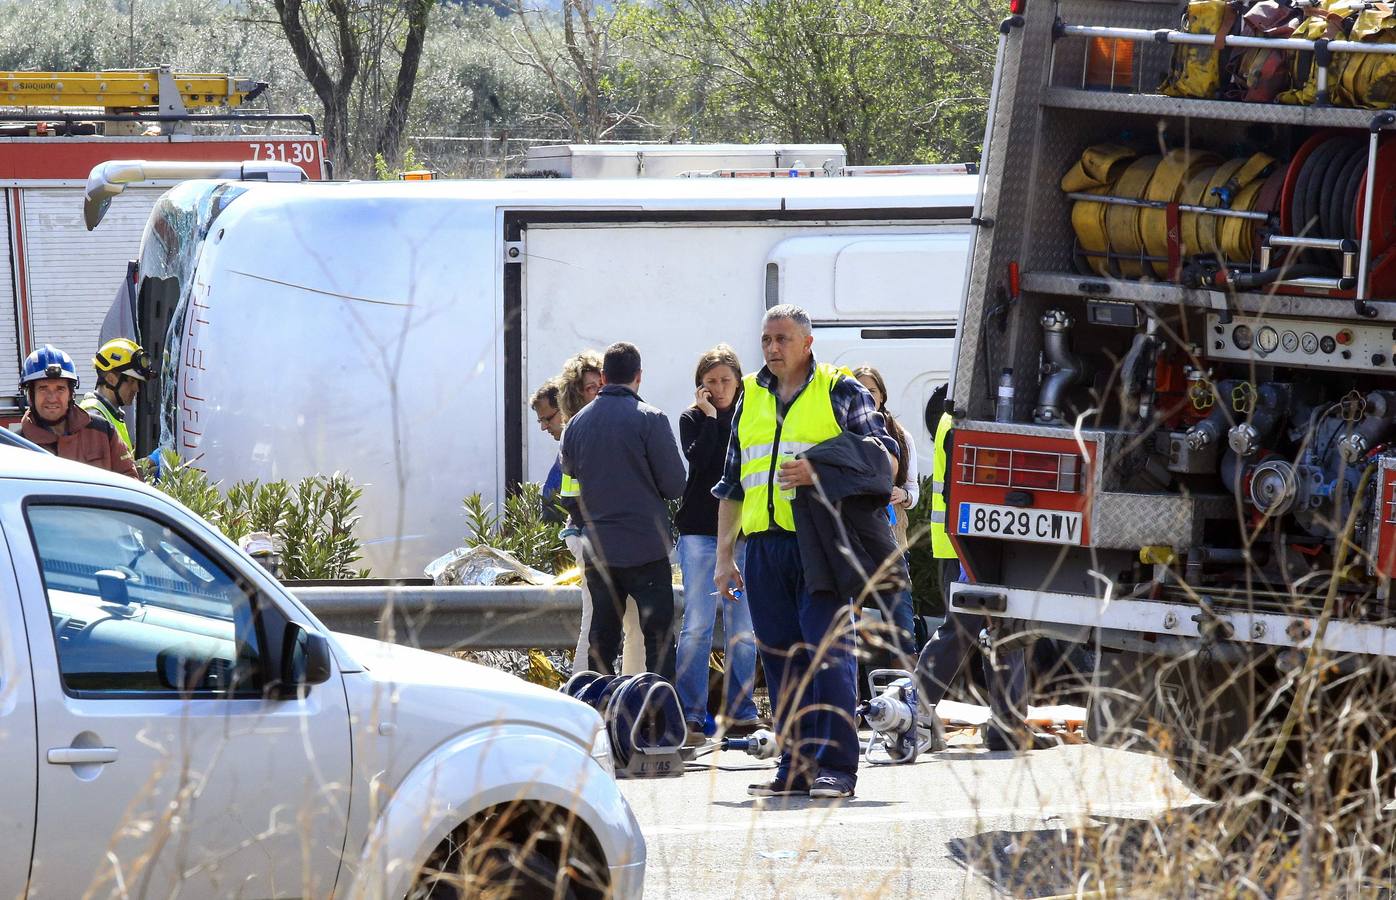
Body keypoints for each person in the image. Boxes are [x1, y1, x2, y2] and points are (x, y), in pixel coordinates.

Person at [713, 305, 899, 800]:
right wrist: (724, 557)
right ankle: (795, 766)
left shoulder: (841, 389)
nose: (772, 348)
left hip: (821, 548)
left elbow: (885, 457)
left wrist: (819, 469)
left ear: (807, 343)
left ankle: (838, 768)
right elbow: (732, 485)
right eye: (766, 339)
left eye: (783, 339)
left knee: (829, 656)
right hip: (765, 550)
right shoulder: (750, 393)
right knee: (780, 661)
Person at [914, 399, 1046, 752]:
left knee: (1006, 629)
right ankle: (911, 710)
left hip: (975, 543)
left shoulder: (959, 415)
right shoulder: (961, 417)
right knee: (963, 629)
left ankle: (1008, 726)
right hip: (967, 546)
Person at [561, 342, 687, 680]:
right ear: (639, 377)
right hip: (647, 549)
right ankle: (659, 719)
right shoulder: (652, 420)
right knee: (657, 640)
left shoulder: (575, 426)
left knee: (602, 639)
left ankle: (598, 713)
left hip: (599, 550)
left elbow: (569, 492)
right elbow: (675, 484)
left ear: (603, 377)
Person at [674, 345, 762, 746]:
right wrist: (711, 419)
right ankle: (690, 713)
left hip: (742, 534)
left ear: (738, 381)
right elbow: (703, 462)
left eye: (726, 380)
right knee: (697, 625)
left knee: (743, 627)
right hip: (698, 533)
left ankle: (742, 712)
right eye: (711, 382)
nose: (720, 387)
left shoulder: (753, 416)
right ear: (701, 387)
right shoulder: (692, 419)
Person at [557, 349, 645, 675]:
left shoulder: (619, 424)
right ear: (575, 395)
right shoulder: (575, 432)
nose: (599, 391)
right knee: (594, 620)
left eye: (601, 384)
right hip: (589, 535)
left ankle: (634, 695)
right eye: (590, 388)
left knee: (635, 622)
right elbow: (571, 496)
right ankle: (585, 696)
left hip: (621, 537)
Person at [852, 365, 919, 660]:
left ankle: (907, 689)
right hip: (850, 537)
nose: (866, 396)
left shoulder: (901, 436)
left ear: (882, 395)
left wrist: (902, 495)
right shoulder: (841, 431)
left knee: (899, 613)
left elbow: (914, 491)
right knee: (846, 616)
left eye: (872, 390)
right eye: (859, 390)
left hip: (892, 535)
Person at [18, 344, 139, 479]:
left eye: (60, 389)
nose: (52, 398)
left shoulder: (103, 432)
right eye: (43, 388)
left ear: (71, 394)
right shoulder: (15, 447)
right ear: (30, 394)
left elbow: (131, 481)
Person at [80, 337, 153, 456]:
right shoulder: (93, 416)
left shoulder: (110, 414)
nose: (137, 389)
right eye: (132, 381)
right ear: (111, 379)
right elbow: (99, 470)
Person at [530, 379, 565, 523]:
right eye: (540, 421)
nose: (543, 428)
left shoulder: (582, 449)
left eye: (547, 419)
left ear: (564, 408)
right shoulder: (565, 451)